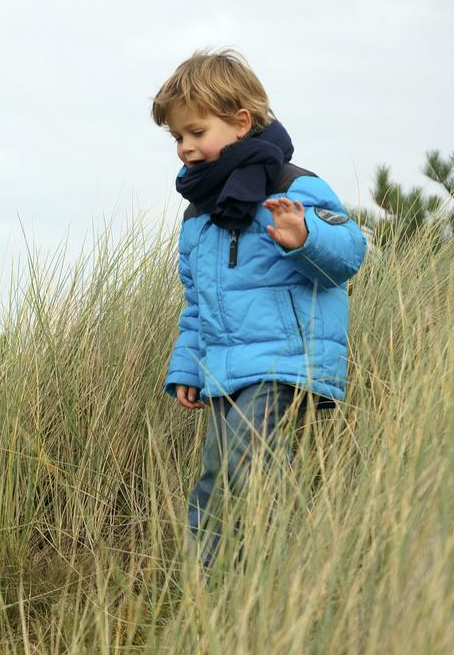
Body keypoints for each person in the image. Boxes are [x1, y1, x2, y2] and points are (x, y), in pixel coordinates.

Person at [151, 49, 366, 566]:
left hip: (283, 360)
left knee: (251, 462)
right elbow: (197, 303)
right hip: (225, 369)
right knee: (215, 477)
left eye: (196, 133)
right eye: (177, 137)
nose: (184, 148)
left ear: (240, 122)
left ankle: (290, 569)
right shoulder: (199, 214)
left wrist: (302, 238)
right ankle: (214, 592)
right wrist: (188, 366)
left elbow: (349, 254)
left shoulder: (292, 187)